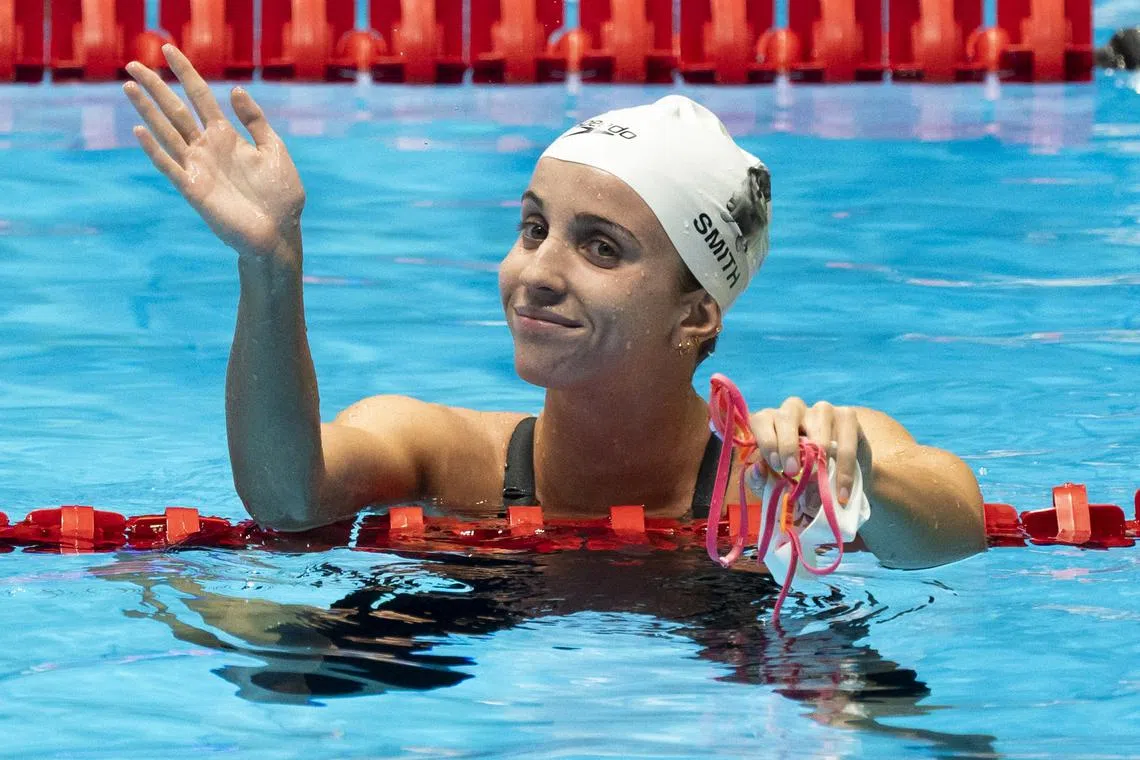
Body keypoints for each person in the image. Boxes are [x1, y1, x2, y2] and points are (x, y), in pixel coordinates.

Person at [122, 45, 985, 571]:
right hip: (474, 648)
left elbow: (958, 530)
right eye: (534, 228)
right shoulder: (440, 454)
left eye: (600, 246)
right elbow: (285, 497)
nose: (536, 270)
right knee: (271, 656)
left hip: (740, 668)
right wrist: (271, 265)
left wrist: (862, 478)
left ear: (697, 313)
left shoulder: (785, 472)